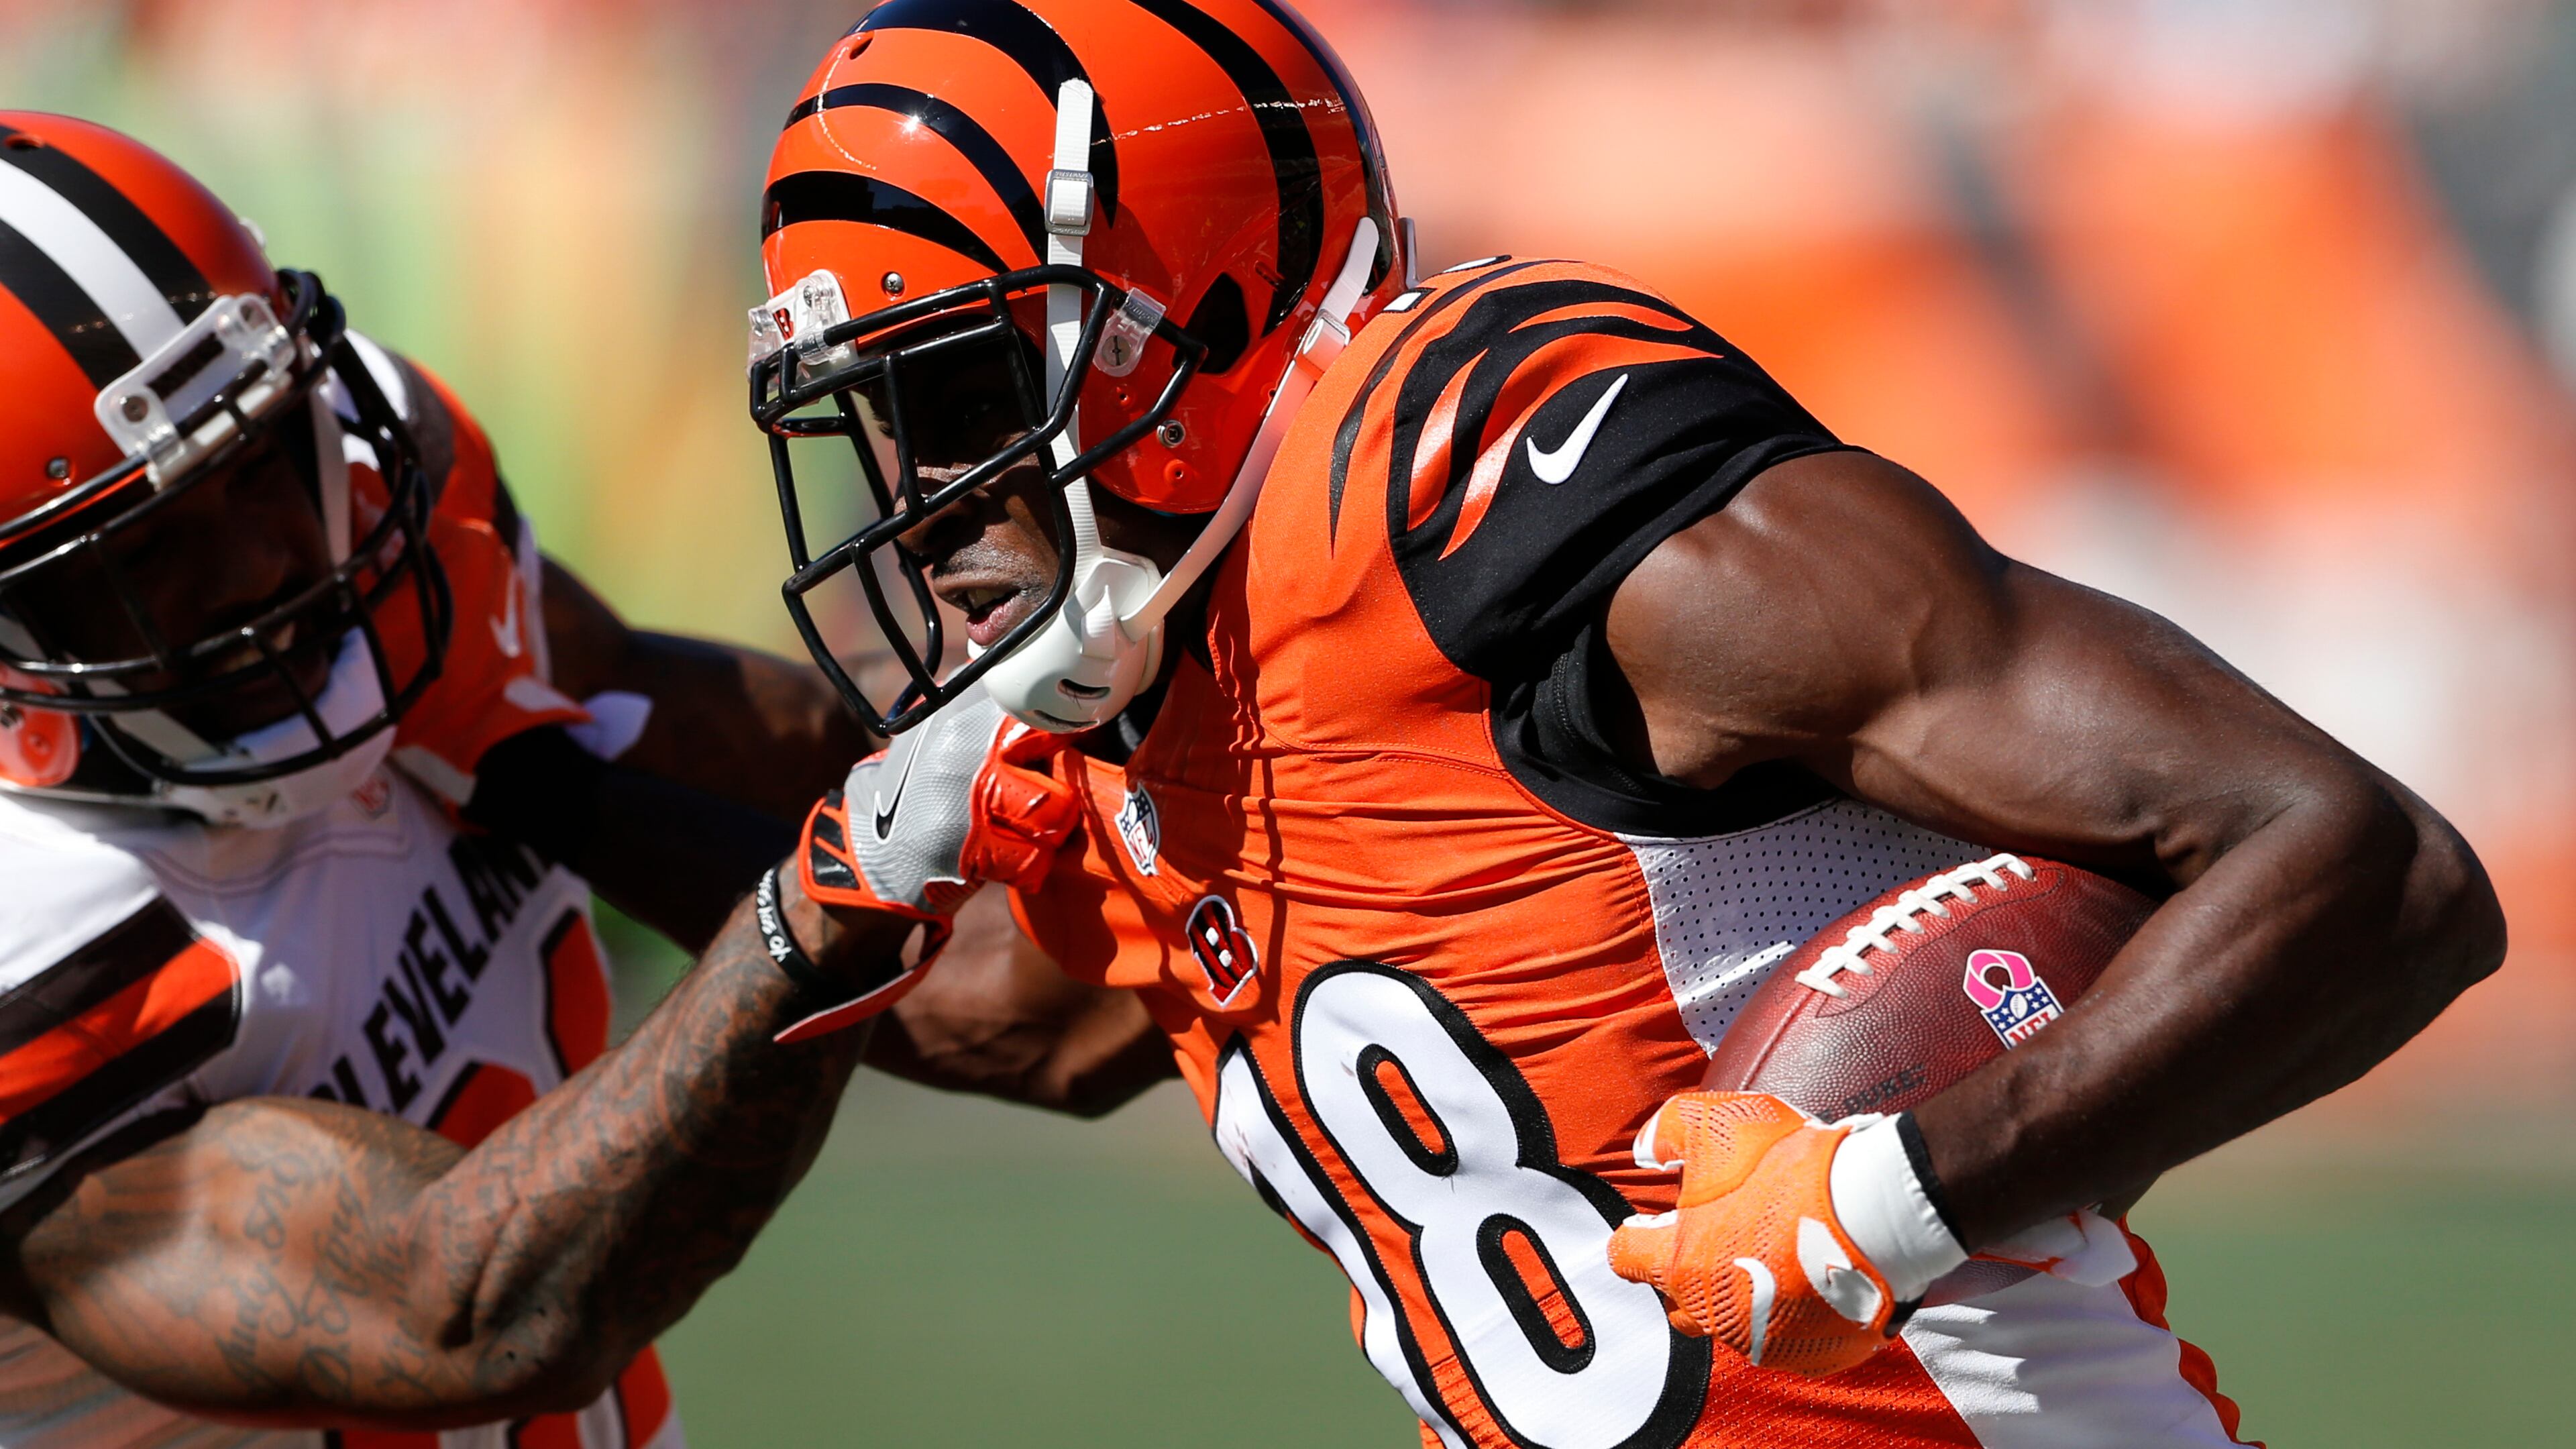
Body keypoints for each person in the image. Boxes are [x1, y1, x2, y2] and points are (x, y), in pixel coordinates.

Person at [743, 3, 2506, 1445]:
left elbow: (2374, 867)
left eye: (960, 390)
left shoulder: (1490, 503)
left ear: (1193, 321)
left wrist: (1897, 1197)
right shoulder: (1155, 672)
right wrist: (545, 753)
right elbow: (1019, 1028)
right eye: (877, 422)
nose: (921, 488)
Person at [0, 112, 906, 1446]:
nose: (259, 564)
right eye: (146, 554)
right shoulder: (44, 935)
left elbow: (996, 978)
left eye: (257, 463)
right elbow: (465, 1309)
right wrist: (821, 916)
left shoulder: (377, 517)